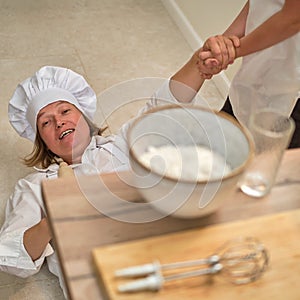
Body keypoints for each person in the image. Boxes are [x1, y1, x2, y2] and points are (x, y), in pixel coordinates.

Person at [0, 42, 236, 298]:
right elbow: (10, 257)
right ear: (42, 141)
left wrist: (198, 64)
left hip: (172, 260)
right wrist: (52, 219)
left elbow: (165, 103)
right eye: (45, 122)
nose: (59, 121)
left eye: (65, 110)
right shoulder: (35, 186)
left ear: (85, 118)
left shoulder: (124, 144)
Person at [199, 0, 300, 147]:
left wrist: (230, 52)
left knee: (263, 164)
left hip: (292, 86)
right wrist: (222, 43)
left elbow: (292, 19)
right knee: (216, 143)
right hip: (258, 70)